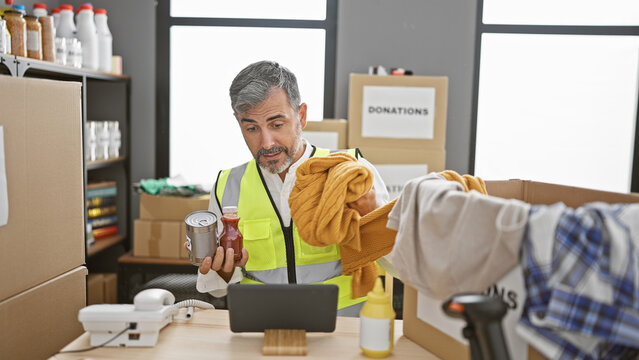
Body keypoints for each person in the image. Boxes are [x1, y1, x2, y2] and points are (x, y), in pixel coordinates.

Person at [193, 60, 390, 316]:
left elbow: (401, 267)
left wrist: (373, 217)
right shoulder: (227, 186)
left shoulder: (353, 173)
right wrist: (223, 270)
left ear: (302, 115)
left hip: (344, 331)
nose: (266, 142)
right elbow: (217, 289)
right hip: (261, 330)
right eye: (251, 128)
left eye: (277, 124)